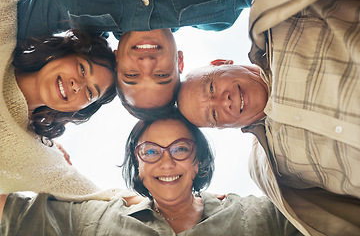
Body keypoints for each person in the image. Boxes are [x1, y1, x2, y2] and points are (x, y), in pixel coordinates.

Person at [177, 0, 360, 235]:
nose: (224, 100)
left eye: (211, 87)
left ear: (221, 62)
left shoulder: (281, 24)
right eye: (213, 114)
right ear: (221, 127)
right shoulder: (271, 169)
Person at [0, 113, 302, 235]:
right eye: (151, 151)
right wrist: (35, 158)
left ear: (198, 162)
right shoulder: (93, 220)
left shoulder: (259, 214)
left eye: (180, 149)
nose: (166, 163)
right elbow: (10, 216)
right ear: (138, 166)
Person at [17, 0, 254, 116]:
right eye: (162, 74)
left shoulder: (74, 10)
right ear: (179, 61)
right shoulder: (218, 11)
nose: (147, 64)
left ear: (116, 57)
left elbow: (10, 23)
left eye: (131, 74)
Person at [0, 0, 129, 201]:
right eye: (82, 69)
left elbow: (102, 197)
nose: (76, 85)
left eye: (89, 93)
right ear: (63, 53)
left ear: (78, 110)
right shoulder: (2, 42)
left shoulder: (36, 158)